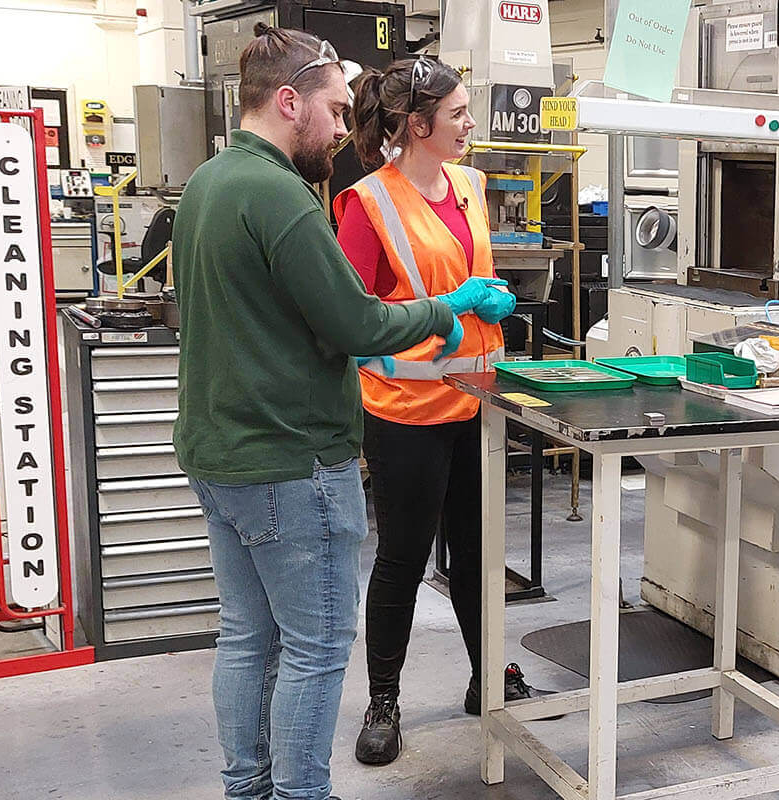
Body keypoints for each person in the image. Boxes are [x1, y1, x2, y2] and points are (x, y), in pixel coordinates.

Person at [173, 25, 468, 800]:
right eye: (336, 112)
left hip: (221, 457)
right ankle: (303, 793)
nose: (344, 131)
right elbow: (359, 324)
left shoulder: (207, 184)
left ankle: (249, 790)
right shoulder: (281, 197)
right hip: (289, 463)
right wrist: (443, 313)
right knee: (315, 646)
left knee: (247, 639)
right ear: (288, 100)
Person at [333, 56, 557, 767]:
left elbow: (466, 270)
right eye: (458, 113)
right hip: (405, 407)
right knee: (402, 556)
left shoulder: (470, 186)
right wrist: (444, 313)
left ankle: (486, 675)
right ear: (415, 124)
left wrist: (488, 295)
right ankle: (384, 700)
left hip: (477, 397)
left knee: (479, 551)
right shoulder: (366, 204)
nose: (470, 124)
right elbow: (350, 317)